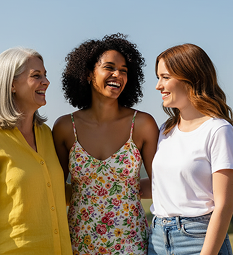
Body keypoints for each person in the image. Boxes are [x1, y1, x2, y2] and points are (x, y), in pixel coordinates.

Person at [53, 33, 159, 255]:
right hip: (78, 241)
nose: (117, 74)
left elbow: (161, 183)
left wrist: (125, 190)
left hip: (131, 241)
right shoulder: (64, 127)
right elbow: (55, 188)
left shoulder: (142, 124)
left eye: (123, 70)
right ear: (89, 74)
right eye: (109, 67)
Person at [0, 48, 72, 255]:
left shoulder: (47, 135)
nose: (46, 82)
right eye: (36, 75)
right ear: (11, 84)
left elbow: (55, 192)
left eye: (45, 75)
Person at [147, 43, 233, 255]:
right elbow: (162, 186)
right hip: (157, 240)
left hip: (198, 240)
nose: (158, 86)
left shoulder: (218, 130)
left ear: (190, 77)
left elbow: (224, 205)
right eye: (158, 77)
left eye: (165, 77)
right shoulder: (166, 130)